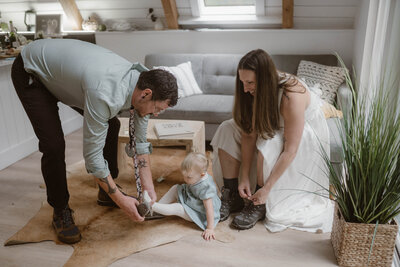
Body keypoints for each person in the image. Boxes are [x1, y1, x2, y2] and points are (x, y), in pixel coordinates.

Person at [10, 39, 178, 244]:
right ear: (146, 94)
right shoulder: (105, 93)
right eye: (158, 109)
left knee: (112, 126)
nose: (157, 114)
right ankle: (60, 210)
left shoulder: (141, 83)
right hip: (32, 72)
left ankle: (105, 192)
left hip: (63, 76)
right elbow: (92, 158)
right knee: (53, 145)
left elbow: (140, 143)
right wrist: (121, 199)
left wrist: (148, 186)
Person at [211, 49, 333, 232]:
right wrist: (243, 177)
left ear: (265, 80)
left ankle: (259, 203)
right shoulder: (250, 92)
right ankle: (232, 194)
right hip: (271, 124)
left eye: (250, 83)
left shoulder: (291, 95)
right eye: (242, 82)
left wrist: (267, 188)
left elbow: (291, 149)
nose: (245, 89)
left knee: (267, 142)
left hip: (300, 135)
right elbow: (248, 132)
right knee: (226, 128)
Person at [141, 152, 221, 240]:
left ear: (202, 175)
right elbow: (188, 184)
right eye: (183, 176)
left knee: (178, 208)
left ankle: (152, 205)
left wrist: (210, 228)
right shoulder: (196, 176)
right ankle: (157, 209)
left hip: (200, 213)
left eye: (189, 177)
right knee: (175, 188)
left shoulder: (205, 187)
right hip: (193, 199)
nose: (185, 179)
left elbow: (209, 209)